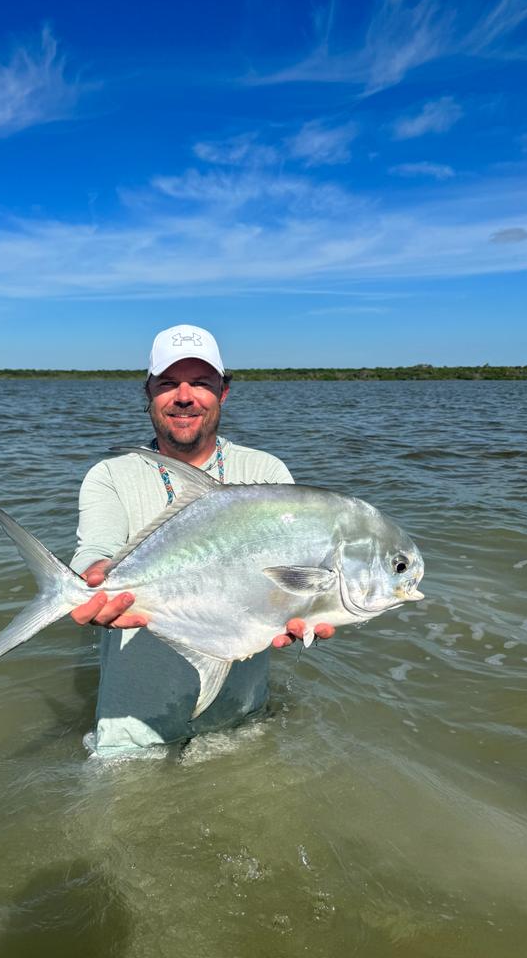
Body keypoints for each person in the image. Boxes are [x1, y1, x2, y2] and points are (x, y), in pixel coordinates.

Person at [69, 324, 334, 757]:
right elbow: (94, 552)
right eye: (169, 383)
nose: (186, 397)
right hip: (132, 725)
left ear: (223, 393)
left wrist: (316, 609)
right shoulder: (111, 475)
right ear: (148, 391)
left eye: (202, 383)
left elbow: (298, 575)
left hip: (241, 716)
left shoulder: (267, 473)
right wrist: (91, 581)